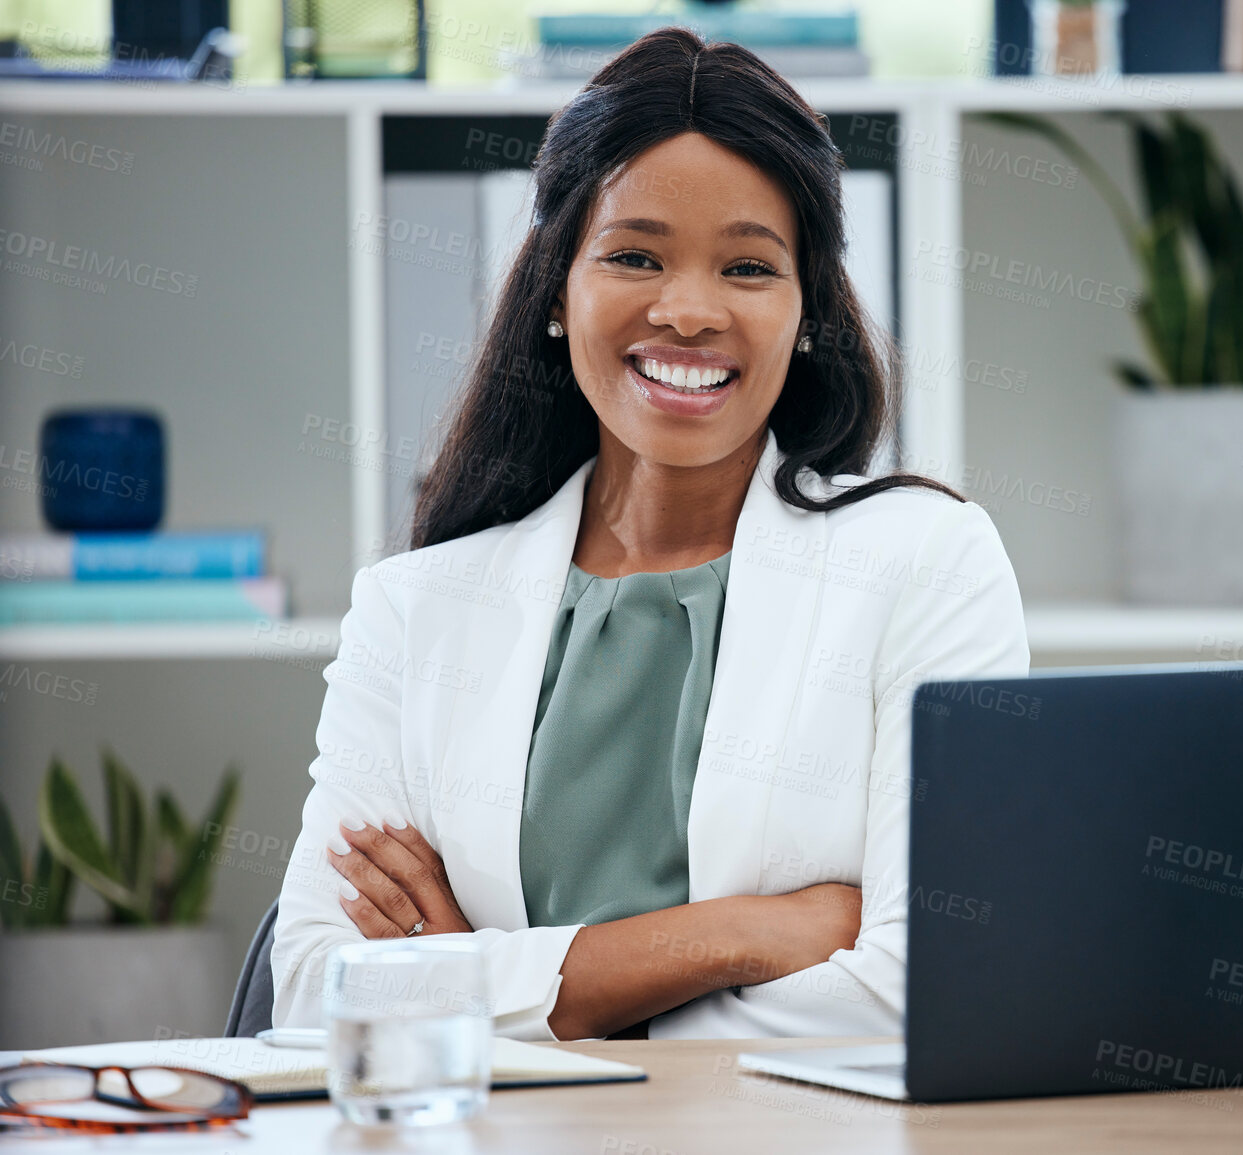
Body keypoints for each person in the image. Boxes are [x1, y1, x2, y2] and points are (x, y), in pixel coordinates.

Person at [271, 27, 1028, 1042]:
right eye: (635, 255)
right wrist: (745, 934)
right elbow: (319, 996)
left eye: (749, 269)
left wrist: (479, 995)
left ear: (807, 310)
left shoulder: (928, 562)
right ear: (555, 287)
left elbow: (927, 987)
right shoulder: (414, 611)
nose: (688, 311)